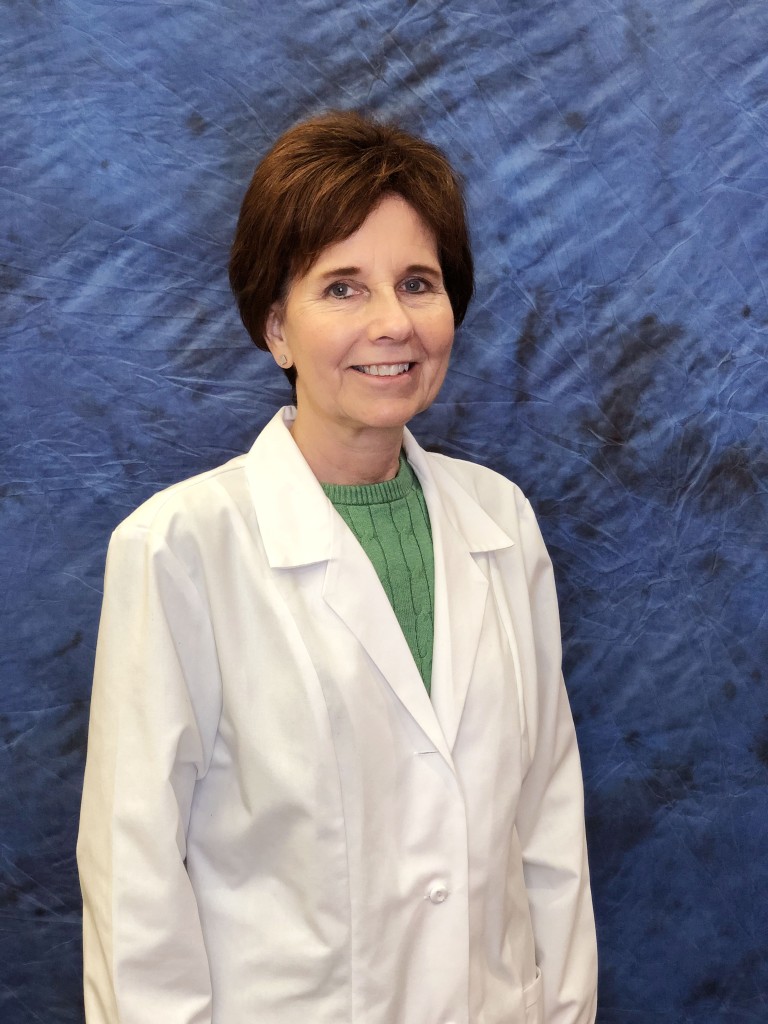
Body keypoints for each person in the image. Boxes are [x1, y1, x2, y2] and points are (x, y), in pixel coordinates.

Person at [77, 110, 597, 1024]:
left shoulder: (503, 523)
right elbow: (135, 886)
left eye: (418, 283)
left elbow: (548, 829)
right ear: (277, 327)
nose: (393, 323)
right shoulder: (178, 549)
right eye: (343, 288)